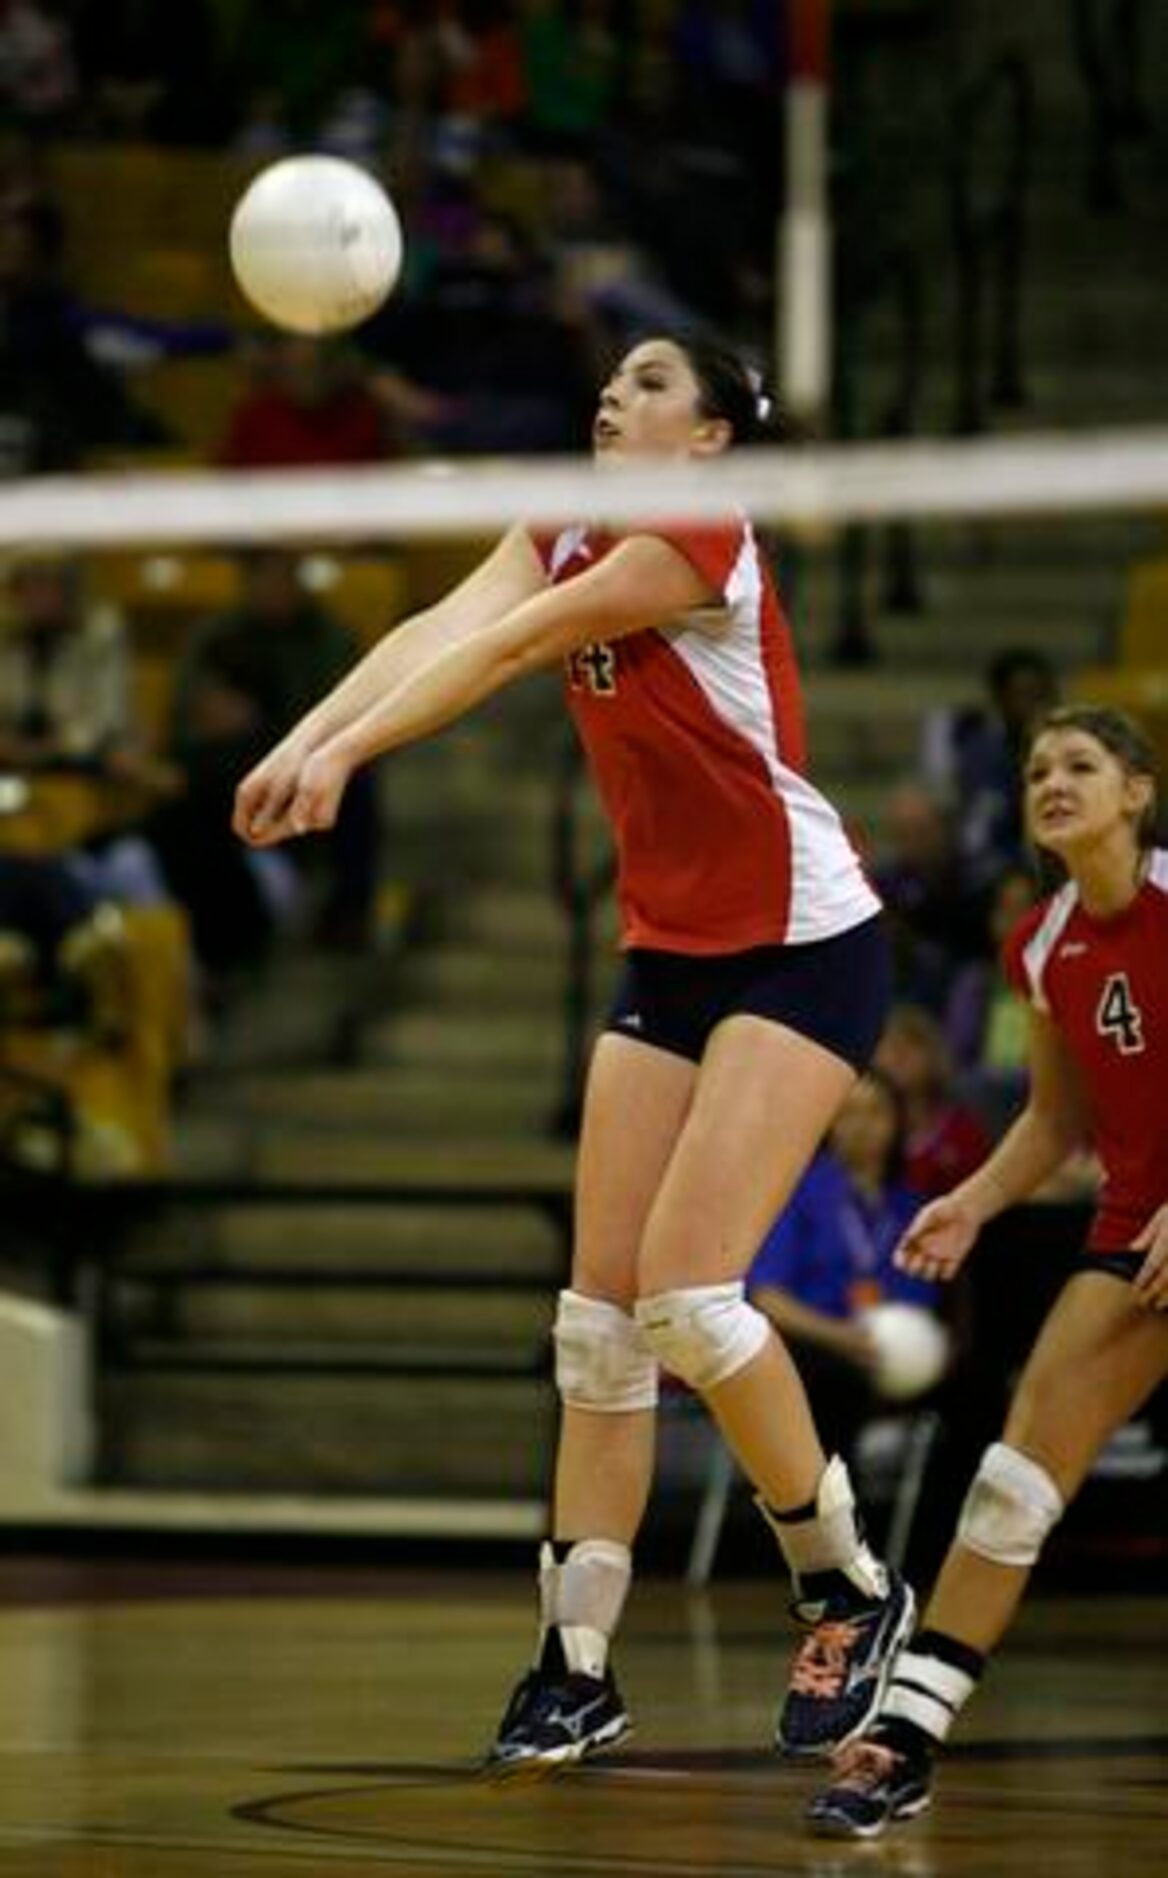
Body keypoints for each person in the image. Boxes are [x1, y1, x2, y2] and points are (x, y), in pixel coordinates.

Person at [233, 332, 913, 1771]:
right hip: (671, 948)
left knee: (682, 1293)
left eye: (656, 379)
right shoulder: (562, 517)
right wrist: (306, 735)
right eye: (612, 376)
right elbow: (436, 624)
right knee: (595, 1323)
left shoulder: (699, 530)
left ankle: (846, 1582)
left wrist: (352, 761)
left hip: (803, 939)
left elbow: (513, 646)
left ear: (716, 434)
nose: (617, 391)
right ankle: (576, 1660)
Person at [810, 705, 1168, 1840]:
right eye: (1032, 773)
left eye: (1079, 766)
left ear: (1137, 792)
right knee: (1014, 1480)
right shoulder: (1041, 943)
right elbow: (1057, 1117)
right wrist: (972, 1198)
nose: (1050, 783)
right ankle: (903, 1740)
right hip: (1132, 1234)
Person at [748, 1070, 938, 1464]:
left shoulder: (912, 1208)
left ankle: (940, 1525)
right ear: (828, 1122)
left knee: (977, 1391)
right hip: (811, 1346)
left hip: (890, 1350)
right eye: (848, 1113)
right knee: (839, 1382)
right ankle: (840, 1520)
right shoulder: (796, 1193)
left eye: (875, 1112)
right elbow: (767, 1297)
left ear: (897, 1122)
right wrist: (841, 1337)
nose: (862, 1126)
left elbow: (922, 1299)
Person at [874, 1004, 991, 1199]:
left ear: (935, 1054)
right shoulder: (850, 1122)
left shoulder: (964, 1132)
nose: (899, 1054)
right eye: (887, 1043)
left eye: (912, 1043)